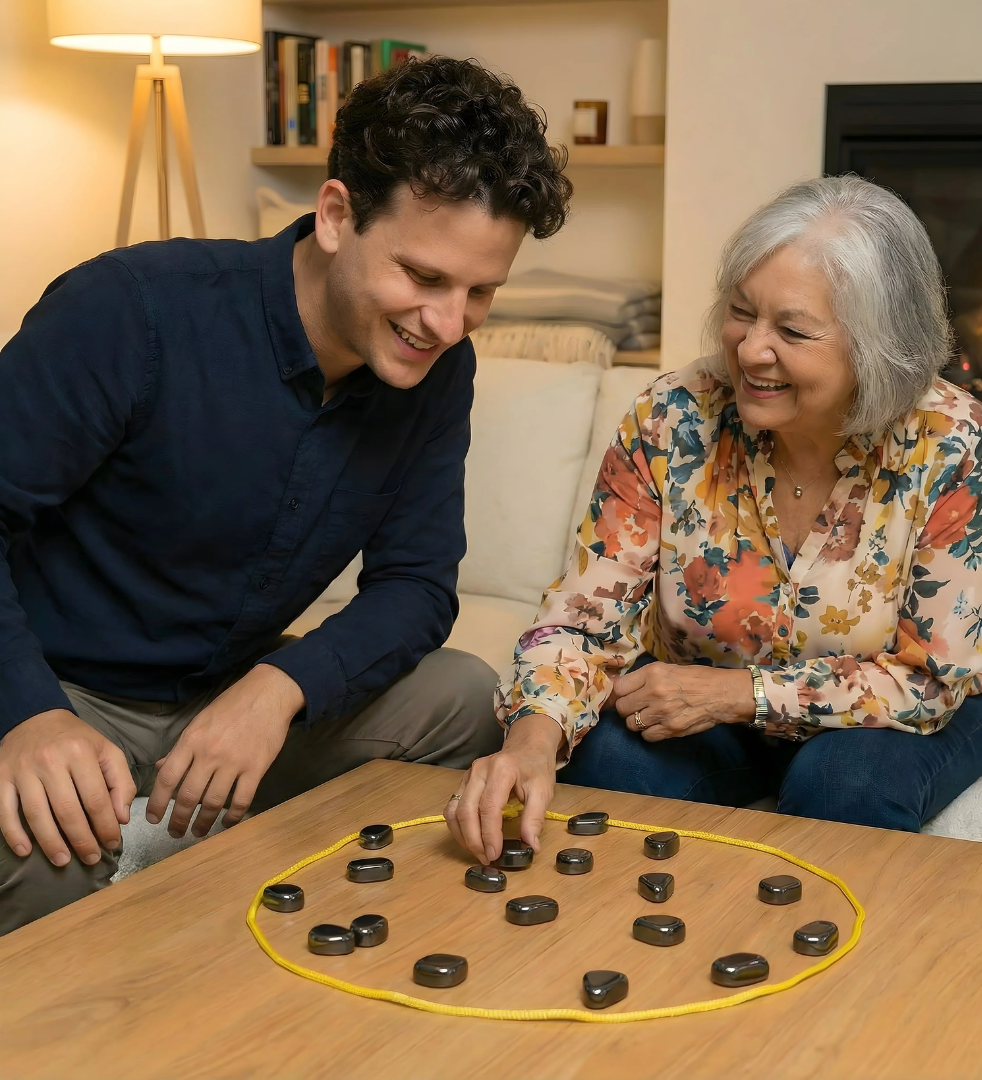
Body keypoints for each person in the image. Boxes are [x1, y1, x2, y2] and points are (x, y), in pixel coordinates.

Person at [0, 57, 572, 933]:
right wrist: (28, 717)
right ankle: (152, 867)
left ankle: (183, 860)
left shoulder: (438, 363)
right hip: (66, 694)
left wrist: (278, 687)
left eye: (480, 291)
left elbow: (416, 586)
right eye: (422, 277)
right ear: (337, 215)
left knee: (459, 695)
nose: (448, 324)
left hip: (233, 695)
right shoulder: (128, 310)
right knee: (42, 855)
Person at [446, 175, 982, 865]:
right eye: (742, 311)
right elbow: (584, 622)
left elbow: (929, 682)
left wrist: (742, 694)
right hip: (706, 709)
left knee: (844, 784)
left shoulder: (953, 438)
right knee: (607, 764)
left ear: (878, 347)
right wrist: (531, 738)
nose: (748, 349)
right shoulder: (671, 417)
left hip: (887, 719)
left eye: (792, 330)